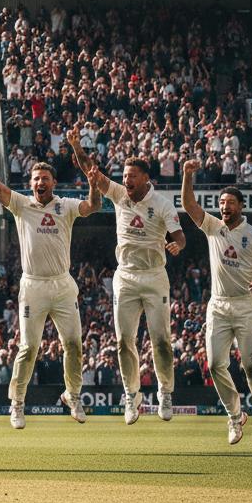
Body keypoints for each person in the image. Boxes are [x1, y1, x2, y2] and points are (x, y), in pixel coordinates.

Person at [0, 131, 100, 429]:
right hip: (33, 286)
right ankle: (17, 404)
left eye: (45, 179)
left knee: (74, 345)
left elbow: (93, 207)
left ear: (54, 183)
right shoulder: (21, 205)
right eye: (36, 179)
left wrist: (93, 186)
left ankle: (73, 396)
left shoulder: (65, 206)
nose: (40, 183)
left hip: (63, 285)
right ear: (31, 184)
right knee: (28, 348)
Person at [71, 141, 186, 423]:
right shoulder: (120, 195)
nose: (126, 181)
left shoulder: (161, 204)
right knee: (124, 341)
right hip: (125, 276)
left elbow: (179, 235)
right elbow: (92, 172)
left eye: (132, 176)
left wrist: (177, 246)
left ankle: (166, 392)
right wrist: (76, 146)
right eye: (124, 177)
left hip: (155, 276)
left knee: (161, 341)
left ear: (146, 178)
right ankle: (132, 396)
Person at [180, 161, 252, 448]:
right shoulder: (213, 226)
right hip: (218, 305)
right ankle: (235, 415)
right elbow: (189, 204)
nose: (225, 207)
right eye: (221, 202)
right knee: (214, 364)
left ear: (241, 206)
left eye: (230, 203)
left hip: (246, 306)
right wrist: (187, 175)